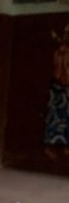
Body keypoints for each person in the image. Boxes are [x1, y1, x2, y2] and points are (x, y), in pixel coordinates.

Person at [44, 22, 69, 155]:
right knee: (55, 118)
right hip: (59, 87)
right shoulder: (60, 52)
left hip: (63, 87)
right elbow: (58, 71)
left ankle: (66, 147)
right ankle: (49, 146)